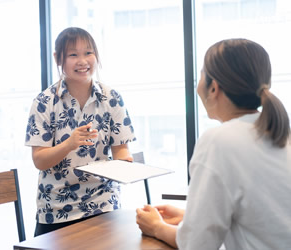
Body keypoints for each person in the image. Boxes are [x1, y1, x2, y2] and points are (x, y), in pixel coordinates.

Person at [136, 38, 291, 249]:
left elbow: (196, 245)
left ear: (213, 88)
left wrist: (156, 227)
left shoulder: (220, 141)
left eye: (201, 75)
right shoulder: (277, 130)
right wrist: (190, 218)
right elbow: (266, 218)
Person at [25, 27, 136, 236]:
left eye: (88, 52)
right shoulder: (44, 102)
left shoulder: (111, 98)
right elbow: (39, 160)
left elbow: (121, 150)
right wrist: (69, 143)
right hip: (56, 209)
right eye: (73, 55)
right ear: (58, 59)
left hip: (103, 203)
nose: (82, 61)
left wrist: (125, 164)